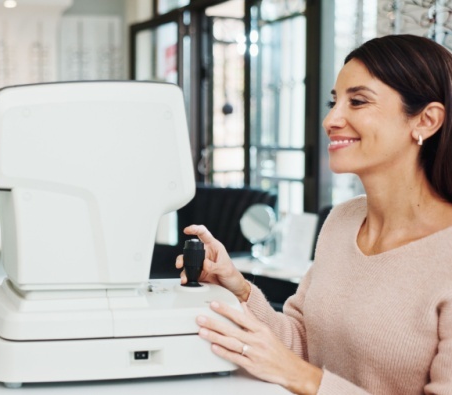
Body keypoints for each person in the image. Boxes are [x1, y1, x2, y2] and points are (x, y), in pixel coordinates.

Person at [177, 34, 452, 394]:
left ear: (426, 121)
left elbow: (300, 371)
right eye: (334, 102)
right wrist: (239, 288)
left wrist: (306, 379)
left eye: (357, 101)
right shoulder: (342, 222)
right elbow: (302, 344)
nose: (331, 119)